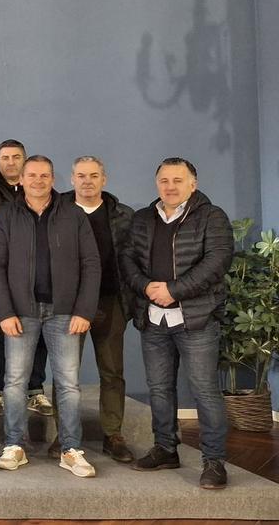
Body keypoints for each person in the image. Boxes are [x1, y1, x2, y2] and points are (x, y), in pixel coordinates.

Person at [121, 157, 232, 489]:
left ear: (193, 184)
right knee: (159, 389)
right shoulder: (142, 218)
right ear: (157, 184)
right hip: (153, 318)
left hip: (196, 318)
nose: (170, 186)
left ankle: (214, 462)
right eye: (164, 180)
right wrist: (144, 287)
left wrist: (174, 290)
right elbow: (127, 258)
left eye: (178, 180)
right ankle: (166, 449)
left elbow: (218, 260)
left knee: (204, 392)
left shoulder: (212, 216)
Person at [0, 155, 100, 478]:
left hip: (65, 312)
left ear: (54, 179)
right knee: (14, 382)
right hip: (20, 313)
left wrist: (84, 309)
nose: (38, 180)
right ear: (21, 178)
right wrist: (5, 312)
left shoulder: (74, 215)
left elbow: (91, 264)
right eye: (32, 175)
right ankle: (14, 444)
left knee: (68, 384)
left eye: (45, 175)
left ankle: (70, 449)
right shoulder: (7, 215)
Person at [60, 155, 136, 463]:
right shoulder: (58, 211)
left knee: (112, 372)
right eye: (81, 175)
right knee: (66, 374)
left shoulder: (123, 215)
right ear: (72, 179)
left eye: (94, 176)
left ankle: (113, 434)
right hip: (69, 304)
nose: (87, 181)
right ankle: (64, 436)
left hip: (110, 301)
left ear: (104, 180)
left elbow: (132, 260)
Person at [0, 139, 50, 418]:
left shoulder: (38, 188)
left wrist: (1, 214)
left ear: (24, 160)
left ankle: (35, 390)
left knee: (38, 335)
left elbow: (27, 220)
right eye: (5, 157)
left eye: (16, 157)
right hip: (0, 274)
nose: (10, 162)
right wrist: (9, 217)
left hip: (37, 277)